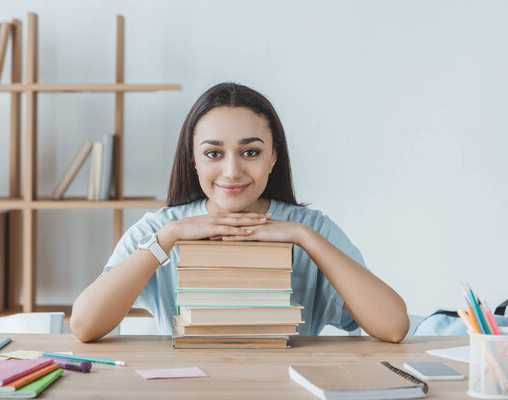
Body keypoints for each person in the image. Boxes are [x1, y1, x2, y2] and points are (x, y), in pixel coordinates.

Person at [70, 82, 409, 343]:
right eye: (214, 154)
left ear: (273, 157)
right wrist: (168, 238)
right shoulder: (162, 227)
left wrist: (302, 237)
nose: (232, 171)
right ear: (194, 160)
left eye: (250, 152)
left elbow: (394, 327)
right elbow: (85, 325)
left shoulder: (312, 227)